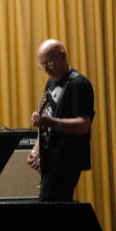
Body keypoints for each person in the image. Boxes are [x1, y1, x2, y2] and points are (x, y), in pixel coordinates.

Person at [27, 39, 95, 202]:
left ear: (62, 56)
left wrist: (52, 122)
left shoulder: (79, 84)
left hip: (68, 158)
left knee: (50, 205)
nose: (45, 70)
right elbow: (45, 124)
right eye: (41, 65)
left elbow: (84, 125)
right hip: (51, 158)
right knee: (53, 207)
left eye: (48, 64)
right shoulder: (51, 83)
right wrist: (36, 150)